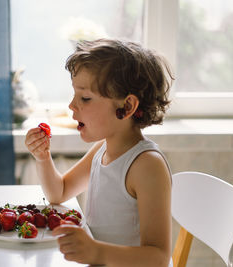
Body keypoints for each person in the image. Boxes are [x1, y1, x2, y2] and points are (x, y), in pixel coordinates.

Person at [25, 38, 174, 267]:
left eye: (85, 98)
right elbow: (59, 192)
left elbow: (159, 257)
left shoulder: (146, 166)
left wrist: (97, 253)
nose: (72, 106)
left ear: (127, 107)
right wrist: (43, 157)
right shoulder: (102, 149)